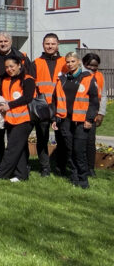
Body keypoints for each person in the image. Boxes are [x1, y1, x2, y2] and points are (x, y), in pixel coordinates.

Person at [52, 52, 99, 188]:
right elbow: (55, 100)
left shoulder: (88, 78)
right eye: (67, 62)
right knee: (69, 149)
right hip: (65, 120)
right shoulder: (62, 79)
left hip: (81, 120)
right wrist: (55, 118)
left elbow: (94, 101)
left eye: (73, 61)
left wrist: (89, 119)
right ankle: (74, 178)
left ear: (78, 62)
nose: (70, 64)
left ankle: (83, 179)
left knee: (79, 150)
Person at [0, 55, 36, 182]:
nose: (9, 69)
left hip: (24, 119)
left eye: (12, 66)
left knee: (12, 147)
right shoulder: (5, 80)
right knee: (20, 148)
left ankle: (0, 174)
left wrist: (9, 106)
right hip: (10, 119)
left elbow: (27, 97)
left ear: (19, 65)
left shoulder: (28, 79)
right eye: (7, 67)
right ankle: (21, 174)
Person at [32, 33, 66, 176]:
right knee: (42, 139)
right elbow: (31, 84)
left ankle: (61, 167)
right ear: (43, 45)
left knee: (62, 139)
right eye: (47, 43)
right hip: (43, 107)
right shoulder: (36, 62)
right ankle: (45, 168)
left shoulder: (65, 62)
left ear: (58, 45)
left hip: (60, 106)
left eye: (53, 43)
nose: (50, 46)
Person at [82, 53, 106, 177]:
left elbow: (103, 95)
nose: (93, 68)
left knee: (90, 142)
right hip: (80, 114)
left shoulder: (100, 76)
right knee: (79, 142)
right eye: (90, 65)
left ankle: (90, 168)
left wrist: (101, 113)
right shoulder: (80, 75)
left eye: (95, 66)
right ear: (84, 64)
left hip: (93, 114)